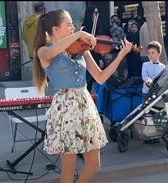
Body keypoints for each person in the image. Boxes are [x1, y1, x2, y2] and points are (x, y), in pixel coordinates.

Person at [33, 9, 132, 182]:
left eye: (73, 25)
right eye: (68, 25)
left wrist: (121, 55)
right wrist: (79, 33)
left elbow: (100, 77)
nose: (72, 28)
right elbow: (52, 52)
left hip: (85, 107)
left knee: (94, 165)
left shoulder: (80, 49)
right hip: (65, 109)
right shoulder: (44, 51)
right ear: (55, 29)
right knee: (68, 171)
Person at [141, 41, 165, 144]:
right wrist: (149, 81)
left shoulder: (163, 67)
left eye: (153, 52)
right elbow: (145, 77)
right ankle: (147, 135)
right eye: (149, 53)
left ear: (159, 53)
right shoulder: (145, 65)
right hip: (147, 93)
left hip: (157, 94)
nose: (150, 55)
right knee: (147, 114)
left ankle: (156, 135)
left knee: (156, 114)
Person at [81, 7, 105, 92]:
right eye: (95, 12)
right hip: (87, 58)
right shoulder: (84, 28)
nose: (97, 14)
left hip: (96, 57)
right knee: (87, 83)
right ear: (90, 13)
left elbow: (98, 46)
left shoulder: (98, 26)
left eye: (98, 12)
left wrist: (100, 58)